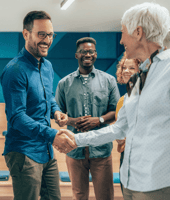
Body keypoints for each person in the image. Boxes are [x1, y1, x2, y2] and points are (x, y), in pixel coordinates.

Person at [62, 2, 170, 200]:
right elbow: (119, 128)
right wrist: (76, 139)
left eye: (123, 32)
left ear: (138, 32)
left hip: (160, 187)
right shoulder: (137, 79)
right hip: (130, 183)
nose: (121, 40)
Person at [1, 10, 76, 200]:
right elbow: (17, 117)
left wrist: (56, 111)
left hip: (46, 150)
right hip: (24, 151)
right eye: (41, 34)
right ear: (26, 34)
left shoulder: (47, 66)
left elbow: (48, 97)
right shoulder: (14, 70)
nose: (47, 40)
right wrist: (52, 135)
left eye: (50, 34)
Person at [55, 37, 120, 200]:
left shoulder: (109, 81)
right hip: (74, 149)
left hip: (102, 149)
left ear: (96, 55)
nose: (87, 54)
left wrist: (99, 120)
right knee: (79, 195)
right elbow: (57, 114)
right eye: (83, 51)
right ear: (76, 55)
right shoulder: (64, 84)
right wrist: (72, 121)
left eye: (91, 51)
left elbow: (116, 111)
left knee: (105, 195)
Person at [114, 53, 140, 193]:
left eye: (132, 68)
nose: (126, 71)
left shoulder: (146, 95)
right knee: (126, 193)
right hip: (125, 156)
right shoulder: (122, 100)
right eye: (124, 67)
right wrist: (119, 139)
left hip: (140, 156)